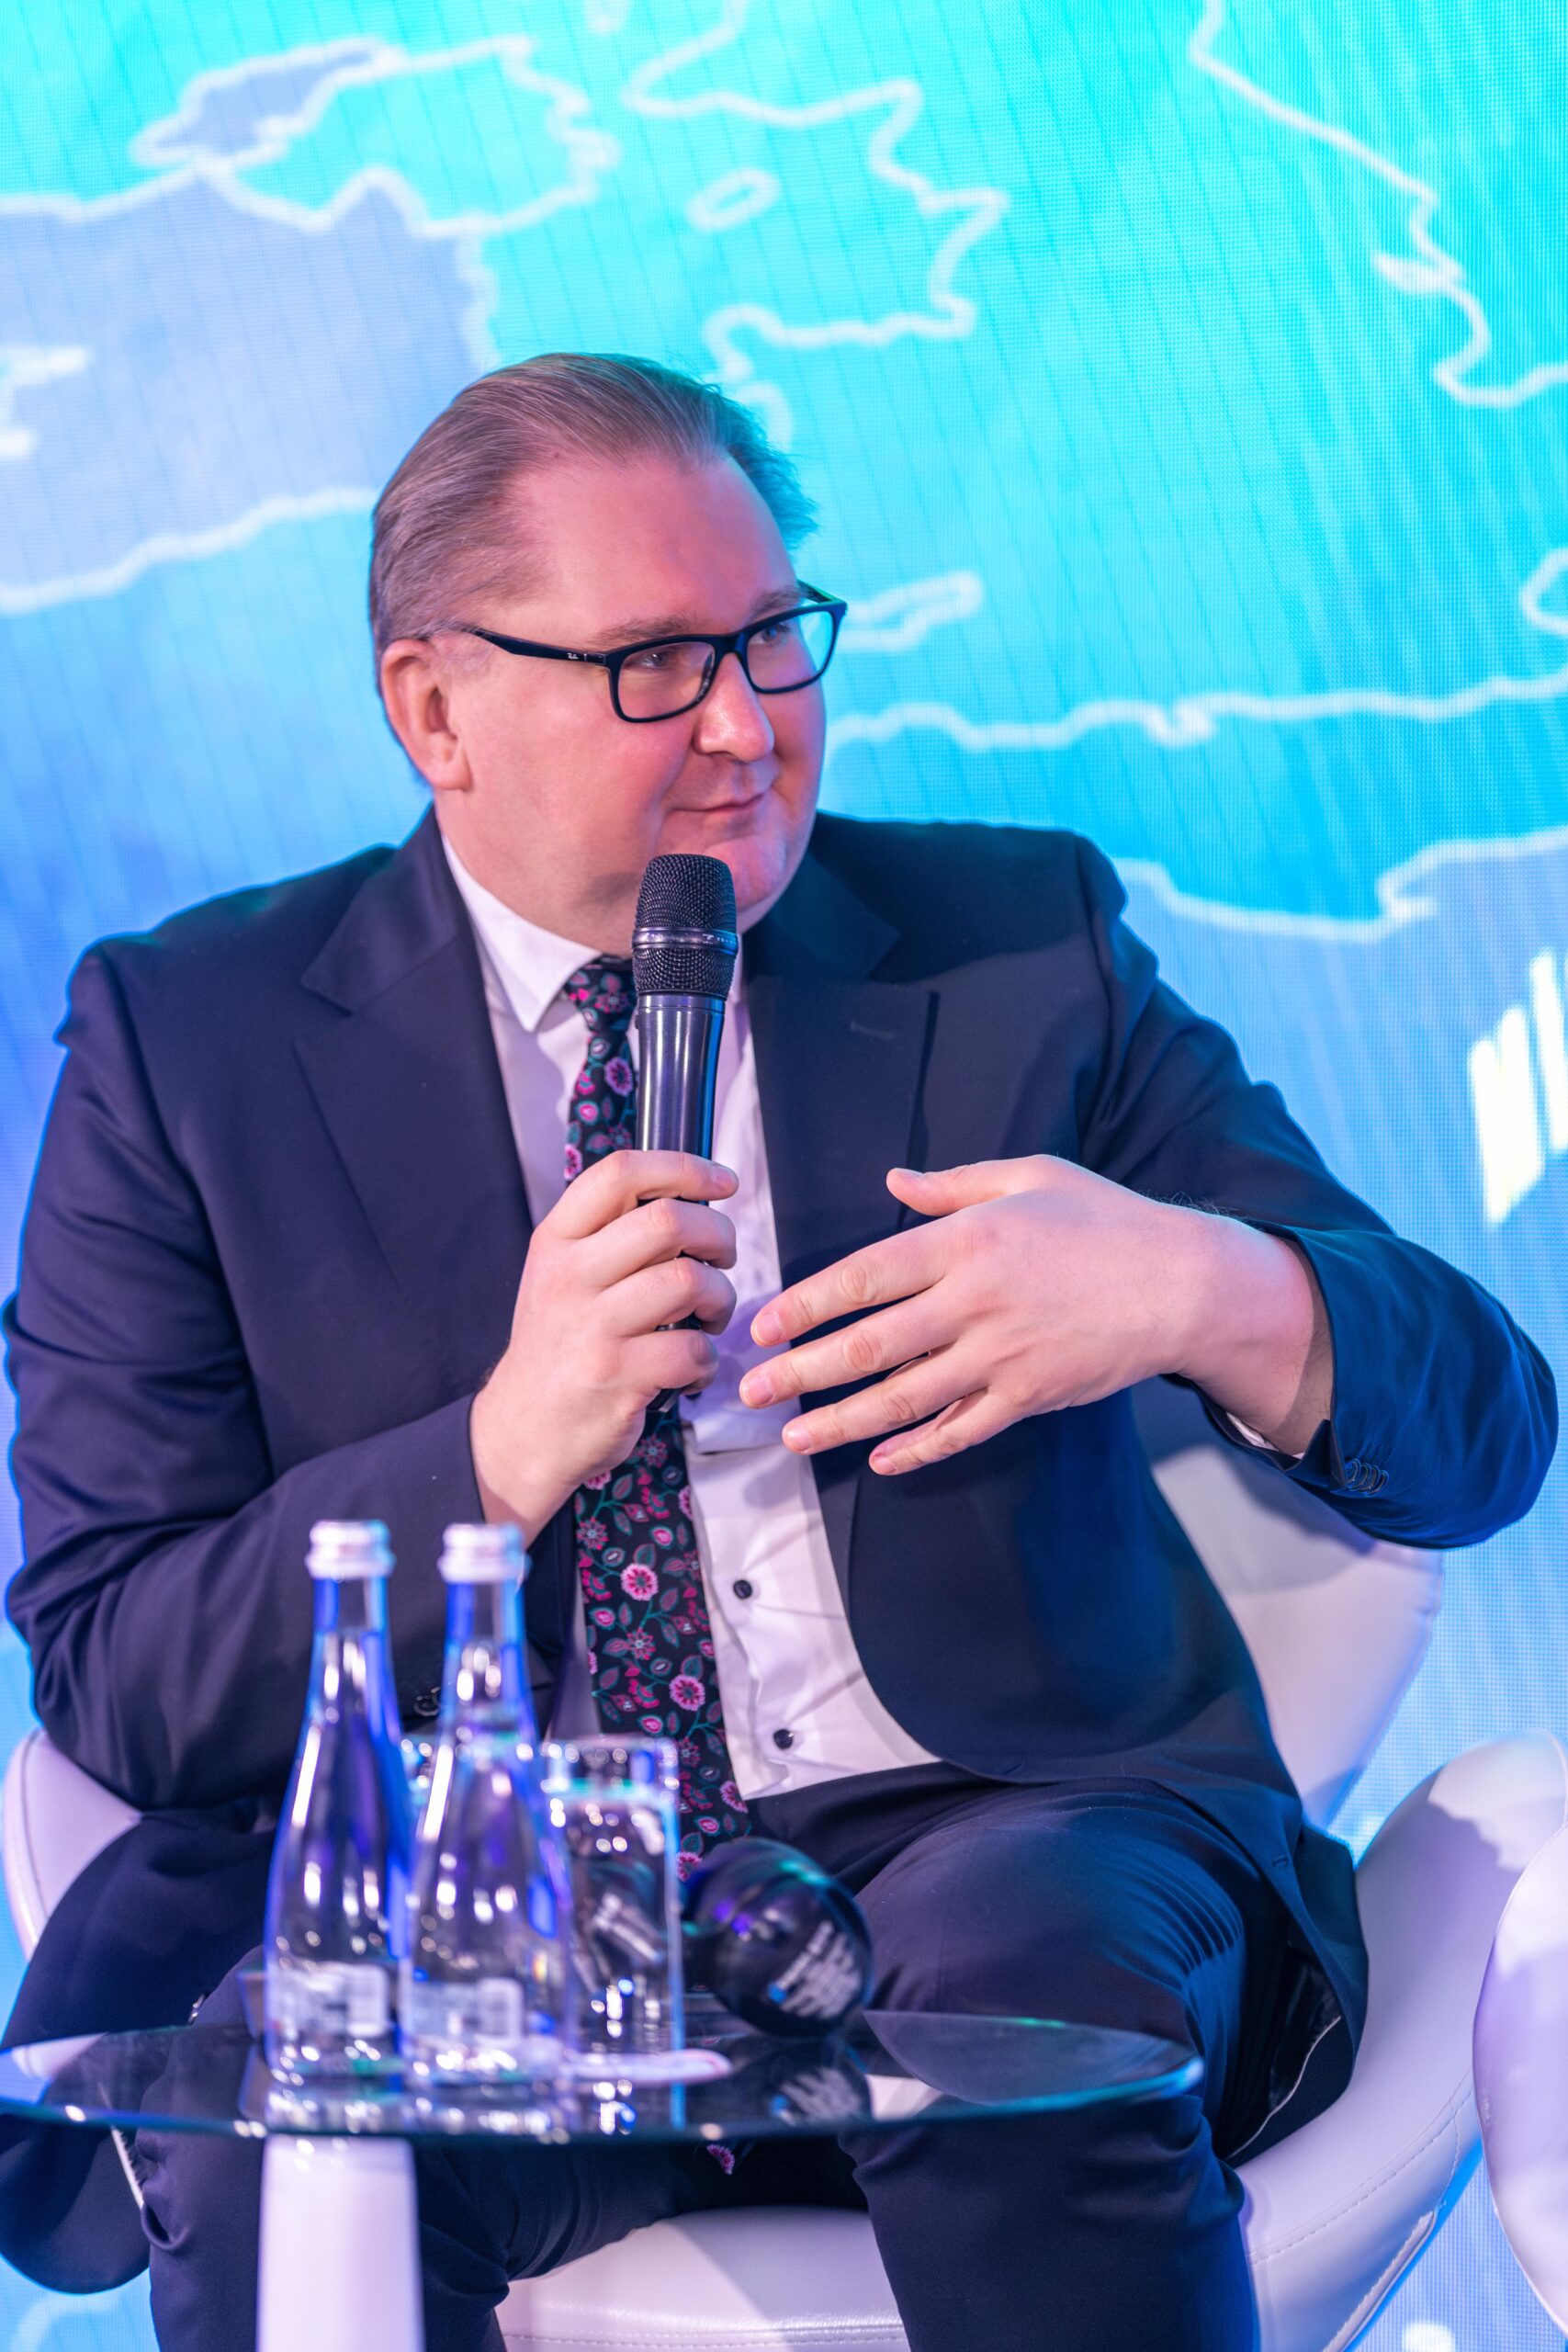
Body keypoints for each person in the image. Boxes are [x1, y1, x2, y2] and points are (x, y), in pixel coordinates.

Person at [1, 354, 1554, 2351]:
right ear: (434, 708)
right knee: (290, 2129)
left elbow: (1484, 1428)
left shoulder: (1012, 945)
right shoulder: (188, 1042)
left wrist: (1195, 1285)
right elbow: (121, 1667)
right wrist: (497, 1449)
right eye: (655, 663)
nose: (746, 725)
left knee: (1010, 1992)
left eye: (771, 640)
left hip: (1000, 1830)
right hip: (509, 1891)